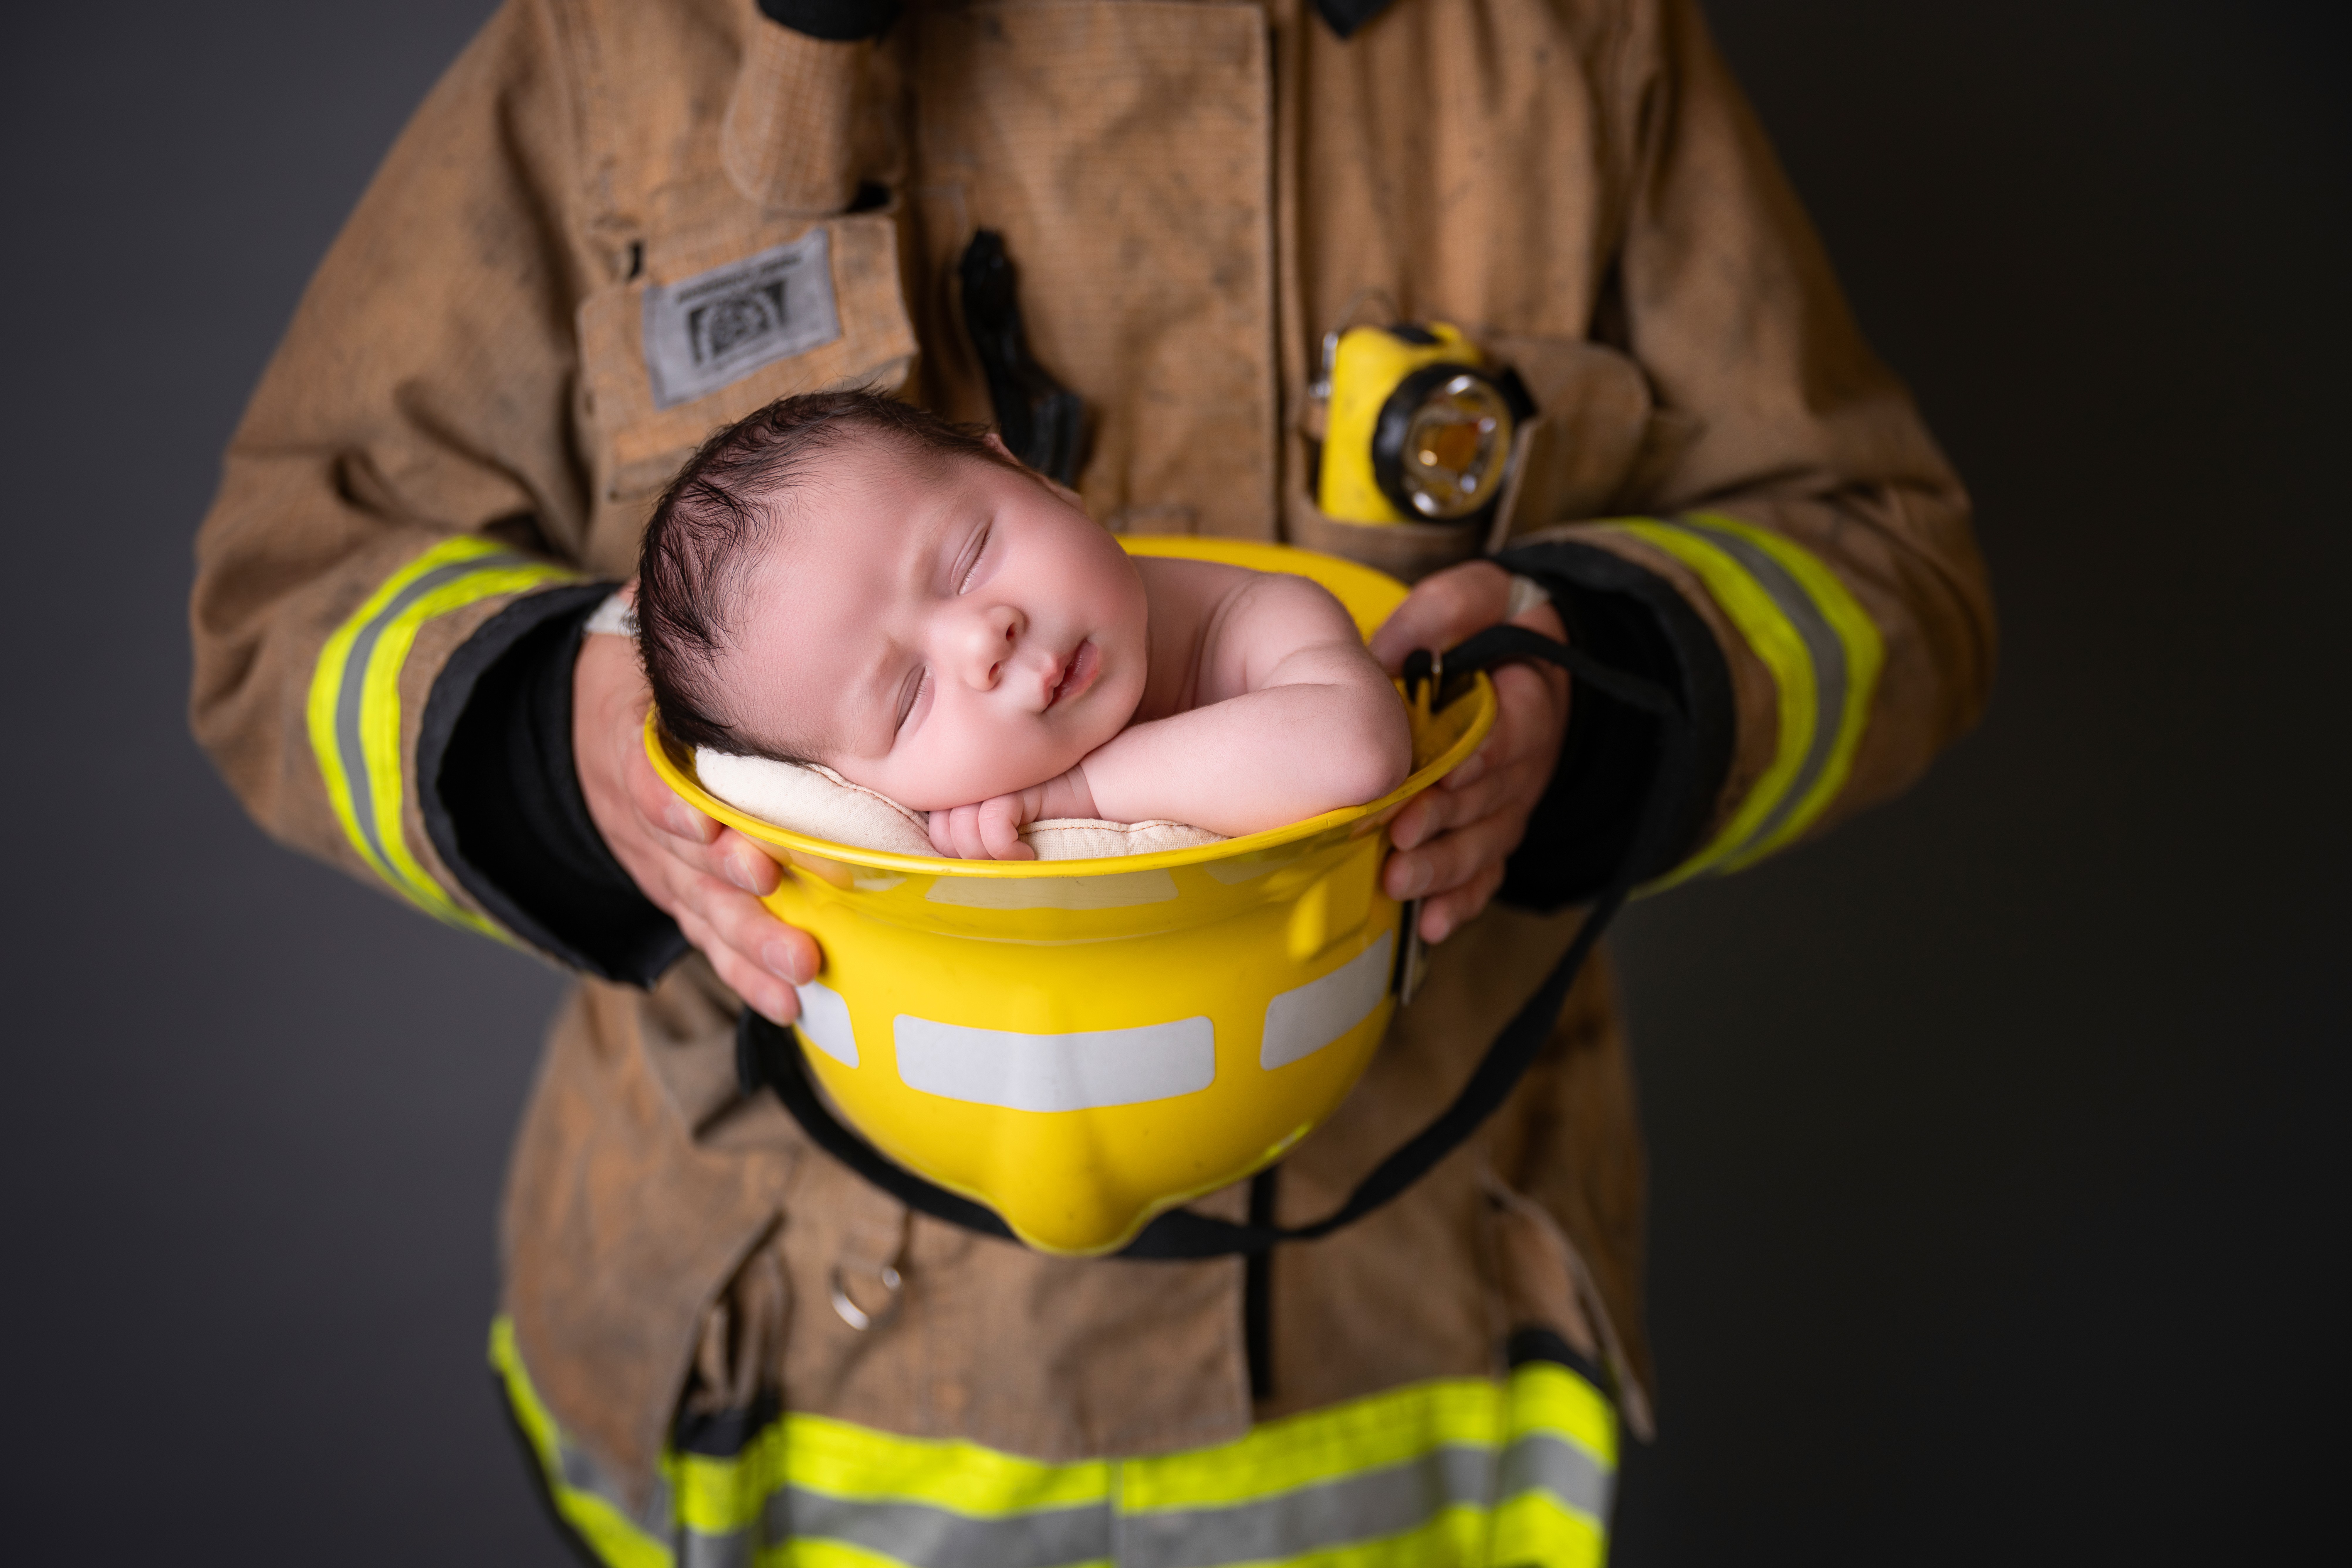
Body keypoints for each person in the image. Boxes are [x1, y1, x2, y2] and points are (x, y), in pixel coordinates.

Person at [188, 0, 1993, 1561]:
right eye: (900, 680)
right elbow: (291, 596)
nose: (992, 653)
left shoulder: (1565, 41)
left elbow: (1887, 572)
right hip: (791, 1381)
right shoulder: (636, 40)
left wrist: (1591, 710)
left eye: (975, 548)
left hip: (1399, 1358)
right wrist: (553, 744)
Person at [634, 390, 1411, 858]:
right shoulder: (926, 838)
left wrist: (1079, 791)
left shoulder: (1261, 618)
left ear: (1027, 473)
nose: (982, 641)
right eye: (908, 701)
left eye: (970, 558)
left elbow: (1355, 750)